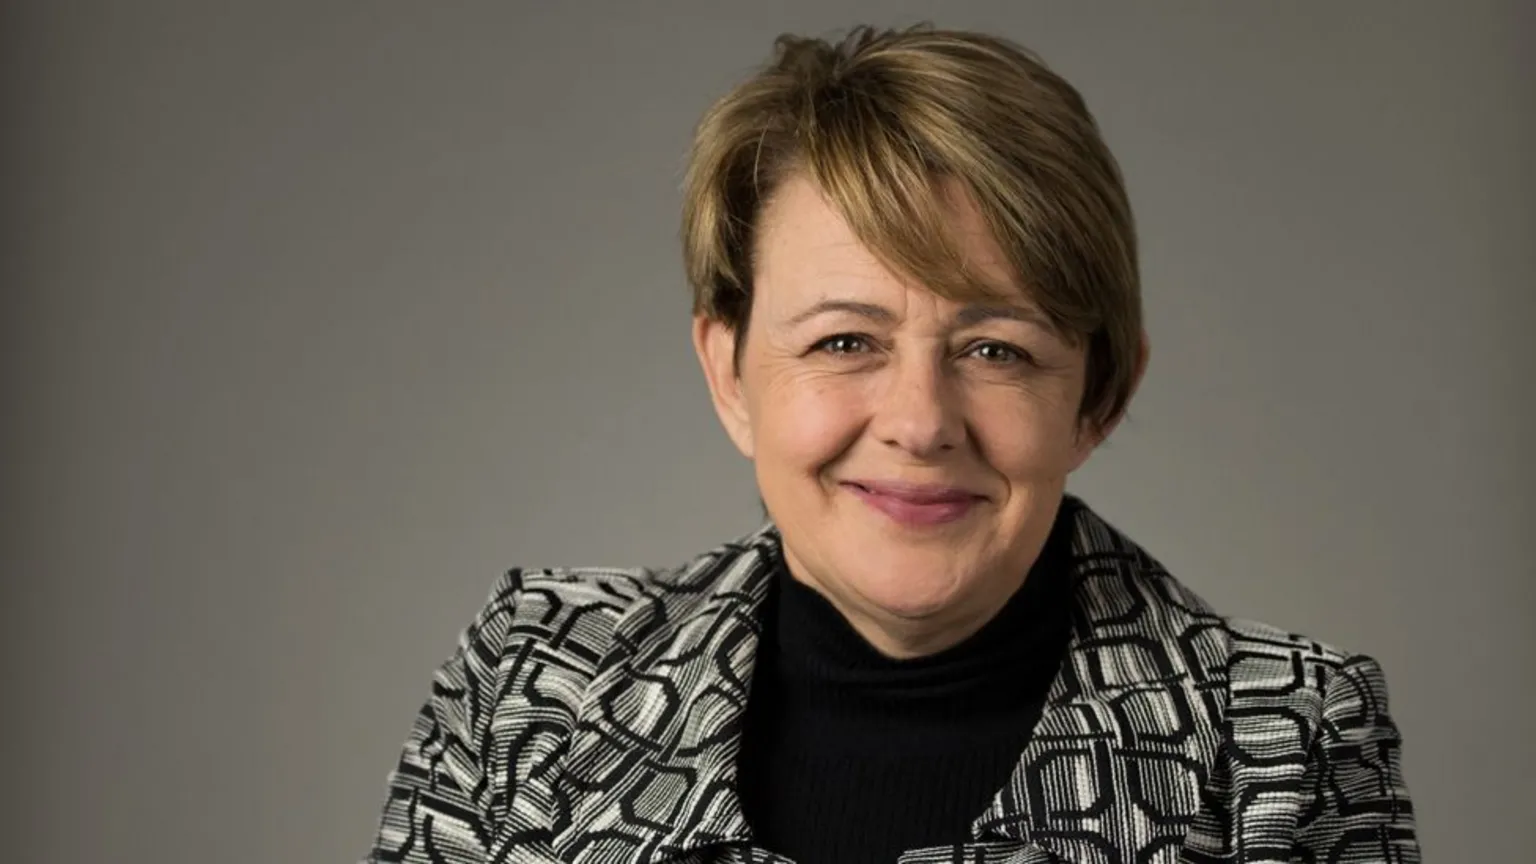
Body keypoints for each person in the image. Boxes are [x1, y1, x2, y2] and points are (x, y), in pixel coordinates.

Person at [363, 24, 1419, 864]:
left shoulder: (1283, 743)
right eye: (844, 340)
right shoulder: (534, 682)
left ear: (1100, 394)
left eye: (997, 350)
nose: (919, 421)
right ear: (729, 374)